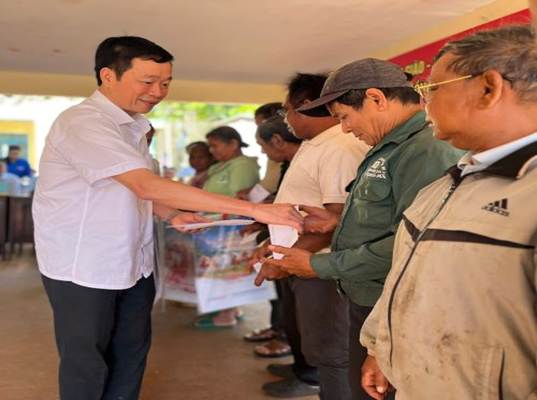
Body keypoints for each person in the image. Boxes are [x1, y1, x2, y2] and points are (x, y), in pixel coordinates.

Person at [33, 35, 302, 400]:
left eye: (165, 83)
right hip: (85, 267)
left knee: (130, 353)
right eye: (148, 81)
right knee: (88, 363)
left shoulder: (134, 127)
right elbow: (144, 185)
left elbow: (130, 190)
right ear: (108, 76)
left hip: (134, 262)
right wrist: (257, 209)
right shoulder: (83, 123)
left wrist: (172, 213)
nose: (158, 92)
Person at [260, 58, 462, 399]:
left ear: (376, 99)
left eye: (344, 117)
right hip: (369, 297)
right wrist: (338, 222)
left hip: (392, 303)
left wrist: (319, 264)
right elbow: (392, 217)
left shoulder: (424, 149)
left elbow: (415, 243)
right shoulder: (389, 146)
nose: (344, 129)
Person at [359, 25, 537, 400]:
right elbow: (407, 274)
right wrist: (381, 347)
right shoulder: (447, 182)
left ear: (488, 88)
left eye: (432, 88)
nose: (424, 102)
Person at [256, 73, 370, 399]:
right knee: (320, 346)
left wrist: (283, 259)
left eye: (287, 110)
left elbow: (336, 220)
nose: (285, 119)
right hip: (304, 260)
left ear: (306, 105)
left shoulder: (339, 146)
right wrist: (273, 246)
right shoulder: (318, 144)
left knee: (335, 353)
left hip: (322, 267)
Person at [192, 125, 260, 328]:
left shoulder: (243, 165)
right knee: (218, 269)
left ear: (233, 143)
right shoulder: (220, 166)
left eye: (215, 146)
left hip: (231, 228)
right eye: (210, 146)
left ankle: (227, 314)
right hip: (216, 228)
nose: (211, 151)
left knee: (228, 269)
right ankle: (228, 309)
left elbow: (240, 198)